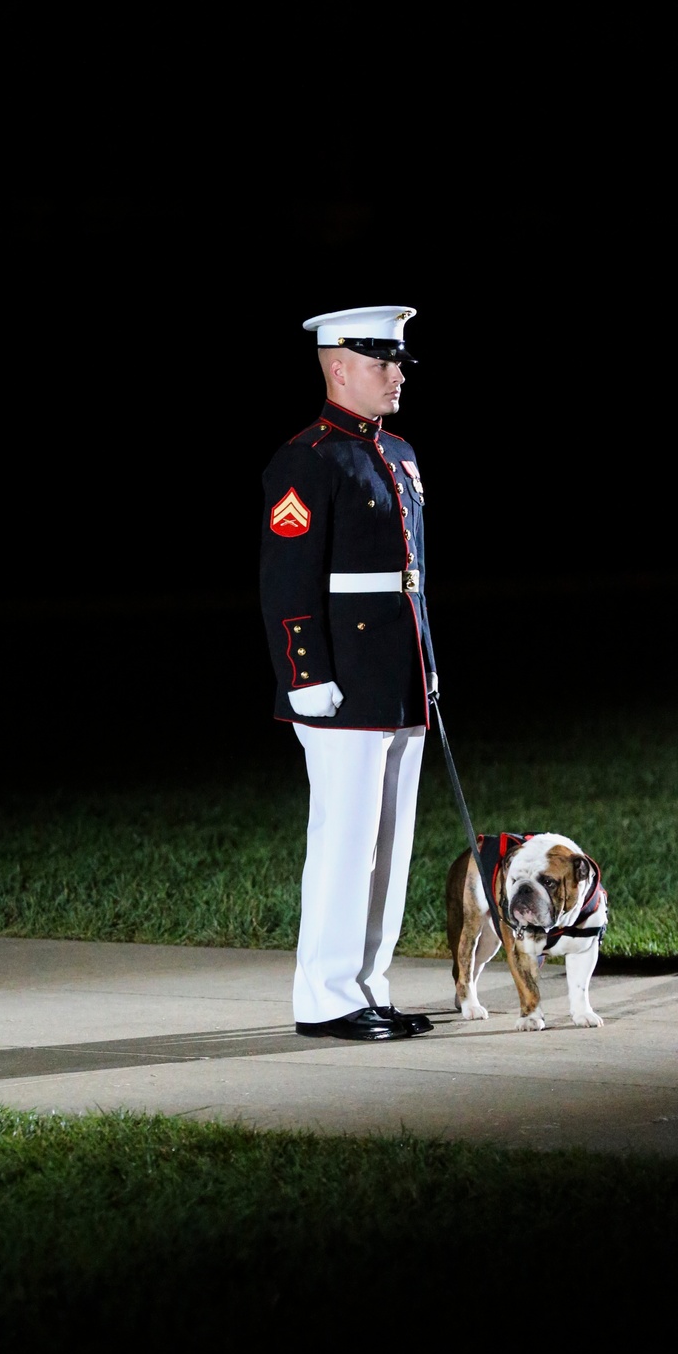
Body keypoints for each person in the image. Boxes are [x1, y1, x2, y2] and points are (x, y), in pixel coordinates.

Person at [260, 305, 438, 1043]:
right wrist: (305, 674)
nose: (397, 373)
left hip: (396, 678)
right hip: (340, 681)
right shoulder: (308, 458)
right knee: (346, 842)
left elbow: (411, 577)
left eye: (398, 361)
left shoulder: (395, 452)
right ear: (338, 367)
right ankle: (325, 996)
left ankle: (366, 984)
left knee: (389, 842)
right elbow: (286, 579)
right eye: (380, 362)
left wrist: (424, 667)